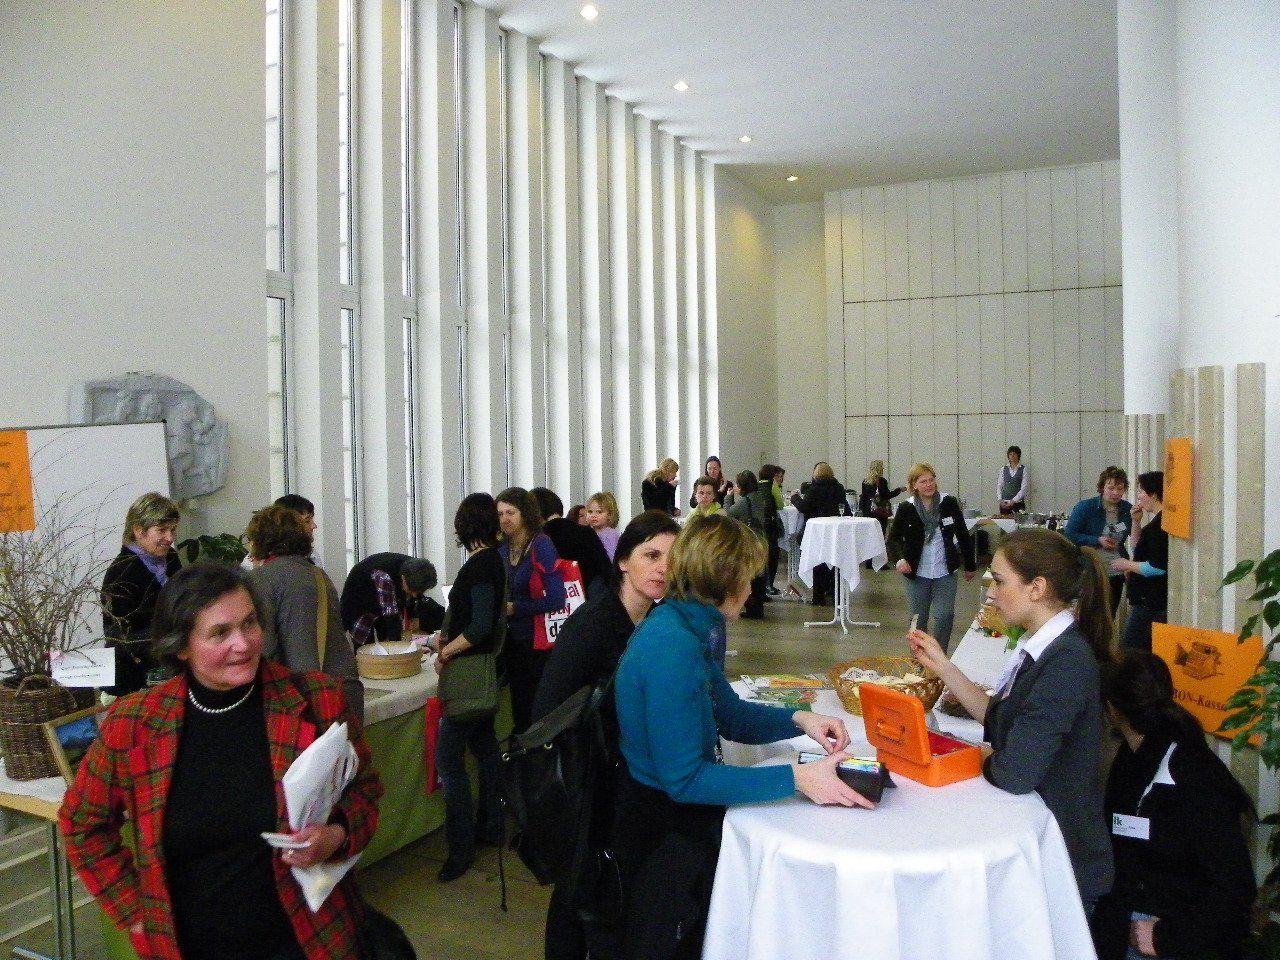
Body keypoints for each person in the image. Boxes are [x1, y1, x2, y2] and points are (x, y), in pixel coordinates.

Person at [60, 564, 383, 960]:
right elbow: (82, 823)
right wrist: (135, 912)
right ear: (182, 646)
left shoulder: (316, 700)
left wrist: (336, 835)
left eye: (250, 624)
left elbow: (365, 792)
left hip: (304, 940)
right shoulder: (133, 725)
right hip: (190, 946)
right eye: (220, 633)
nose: (243, 644)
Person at [613, 513, 873, 960]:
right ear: (723, 583)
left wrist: (799, 719)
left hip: (675, 815)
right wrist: (798, 778)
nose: (753, 589)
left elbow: (729, 715)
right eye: (748, 579)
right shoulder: (672, 645)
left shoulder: (689, 625)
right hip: (661, 828)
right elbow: (684, 780)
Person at [908, 528, 1114, 913]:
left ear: (1036, 588)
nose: (990, 593)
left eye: (999, 581)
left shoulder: (1066, 661)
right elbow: (999, 720)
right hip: (1037, 839)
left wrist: (974, 755)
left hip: (1059, 856)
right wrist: (944, 667)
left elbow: (1016, 772)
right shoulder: (1044, 647)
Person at [533, 510, 682, 960]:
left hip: (619, 775)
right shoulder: (594, 623)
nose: (662, 568)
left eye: (672, 559)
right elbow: (548, 712)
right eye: (651, 555)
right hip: (585, 778)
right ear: (622, 561)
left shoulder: (653, 618)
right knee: (575, 885)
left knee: (598, 880)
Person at [1092, 652, 1256, 960]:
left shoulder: (1192, 776)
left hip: (1174, 931)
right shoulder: (1131, 757)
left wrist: (1166, 938)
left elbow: (1235, 888)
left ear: (1111, 709)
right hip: (1131, 912)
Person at [434, 494, 508, 883]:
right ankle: (491, 826)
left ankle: (460, 849)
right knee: (485, 749)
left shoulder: (480, 566)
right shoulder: (494, 561)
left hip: (468, 676)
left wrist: (447, 652)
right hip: (482, 673)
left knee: (449, 762)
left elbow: (479, 626)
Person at [245, 505, 363, 719]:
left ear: (261, 540)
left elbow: (265, 649)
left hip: (304, 698)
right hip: (343, 690)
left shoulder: (261, 579)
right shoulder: (319, 575)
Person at [886, 463, 977, 651]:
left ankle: (939, 657)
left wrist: (970, 565)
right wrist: (900, 559)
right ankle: (919, 659)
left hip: (945, 571)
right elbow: (893, 539)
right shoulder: (906, 507)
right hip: (917, 572)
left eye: (931, 480)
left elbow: (962, 533)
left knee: (945, 616)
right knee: (918, 619)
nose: (928, 485)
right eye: (923, 481)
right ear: (914, 485)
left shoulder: (948, 502)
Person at [498, 487, 567, 733]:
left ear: (525, 514)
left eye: (511, 513)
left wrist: (515, 608)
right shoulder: (502, 547)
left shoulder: (541, 545)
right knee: (518, 705)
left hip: (536, 641)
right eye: (500, 514)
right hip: (510, 639)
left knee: (533, 706)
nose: (505, 519)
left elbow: (557, 598)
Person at [100, 491, 182, 695]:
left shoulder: (171, 558)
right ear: (138, 530)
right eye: (162, 530)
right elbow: (118, 637)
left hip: (170, 666)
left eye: (172, 530)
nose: (170, 538)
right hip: (135, 679)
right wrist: (172, 633)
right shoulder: (121, 573)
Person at [1109, 472, 1168, 653]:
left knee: (1130, 652)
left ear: (1154, 495)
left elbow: (1157, 567)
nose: (1139, 496)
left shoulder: (1160, 527)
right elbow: (1137, 548)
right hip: (1144, 600)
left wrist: (1127, 565)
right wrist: (1136, 522)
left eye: (1142, 491)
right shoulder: (1155, 523)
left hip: (1150, 602)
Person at [1065, 466, 1133, 620]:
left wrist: (1136, 521)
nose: (1115, 493)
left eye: (1120, 489)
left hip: (1115, 571)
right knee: (1090, 615)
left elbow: (1131, 536)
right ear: (1102, 488)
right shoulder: (1085, 507)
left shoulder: (1127, 509)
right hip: (1090, 569)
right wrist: (1097, 540)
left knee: (1109, 615)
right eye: (1111, 488)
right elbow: (1069, 534)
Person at [339, 551, 442, 647]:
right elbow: (392, 619)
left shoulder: (418, 570)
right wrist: (401, 649)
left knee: (387, 639)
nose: (415, 595)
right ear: (403, 578)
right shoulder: (384, 577)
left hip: (383, 601)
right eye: (411, 590)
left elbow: (411, 602)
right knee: (366, 650)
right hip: (359, 604)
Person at [532, 487, 613, 599]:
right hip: (592, 602)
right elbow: (606, 572)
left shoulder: (539, 540)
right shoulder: (587, 532)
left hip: (555, 603)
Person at [790, 462, 848, 607]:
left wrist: (794, 498)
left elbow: (804, 507)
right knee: (834, 563)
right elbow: (845, 509)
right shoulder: (839, 488)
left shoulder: (814, 489)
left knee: (817, 563)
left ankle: (818, 596)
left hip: (817, 533)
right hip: (834, 532)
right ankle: (835, 593)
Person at [727, 470, 777, 620]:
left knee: (750, 576)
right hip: (761, 539)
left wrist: (729, 497)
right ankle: (758, 607)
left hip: (748, 542)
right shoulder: (759, 498)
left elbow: (730, 513)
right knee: (759, 575)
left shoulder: (744, 501)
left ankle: (752, 608)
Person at [858, 459, 902, 568]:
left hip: (868, 513)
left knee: (870, 537)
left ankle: (869, 562)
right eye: (882, 467)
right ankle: (880, 563)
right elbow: (886, 495)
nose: (883, 468)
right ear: (879, 468)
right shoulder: (882, 481)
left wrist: (863, 511)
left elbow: (864, 497)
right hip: (880, 513)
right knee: (880, 537)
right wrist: (899, 490)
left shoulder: (865, 481)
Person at [758, 465, 787, 595]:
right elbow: (780, 505)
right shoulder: (773, 486)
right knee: (773, 554)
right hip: (770, 523)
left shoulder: (756, 485)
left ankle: (762, 586)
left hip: (759, 524)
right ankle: (769, 584)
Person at [584, 491, 622, 561]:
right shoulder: (588, 533)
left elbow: (612, 558)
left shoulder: (610, 534)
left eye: (599, 512)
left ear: (610, 515)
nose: (593, 515)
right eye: (590, 512)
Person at [997, 446, 1030, 515]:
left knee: (1018, 521)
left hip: (1018, 504)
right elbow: (999, 485)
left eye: (1014, 454)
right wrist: (1000, 499)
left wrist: (1013, 501)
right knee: (1004, 521)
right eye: (1010, 454)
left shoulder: (1023, 469)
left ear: (1018, 456)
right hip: (1004, 504)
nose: (1012, 456)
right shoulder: (1003, 469)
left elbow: (1024, 488)